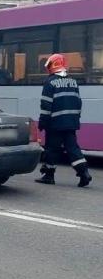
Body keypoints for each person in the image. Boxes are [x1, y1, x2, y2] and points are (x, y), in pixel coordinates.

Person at [36, 53, 92, 187]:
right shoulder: (73, 82)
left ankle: (48, 176)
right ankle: (84, 173)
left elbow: (46, 106)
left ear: (53, 65)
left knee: (52, 149)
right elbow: (78, 103)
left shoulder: (50, 82)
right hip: (71, 123)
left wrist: (42, 122)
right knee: (73, 148)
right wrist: (75, 119)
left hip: (55, 124)